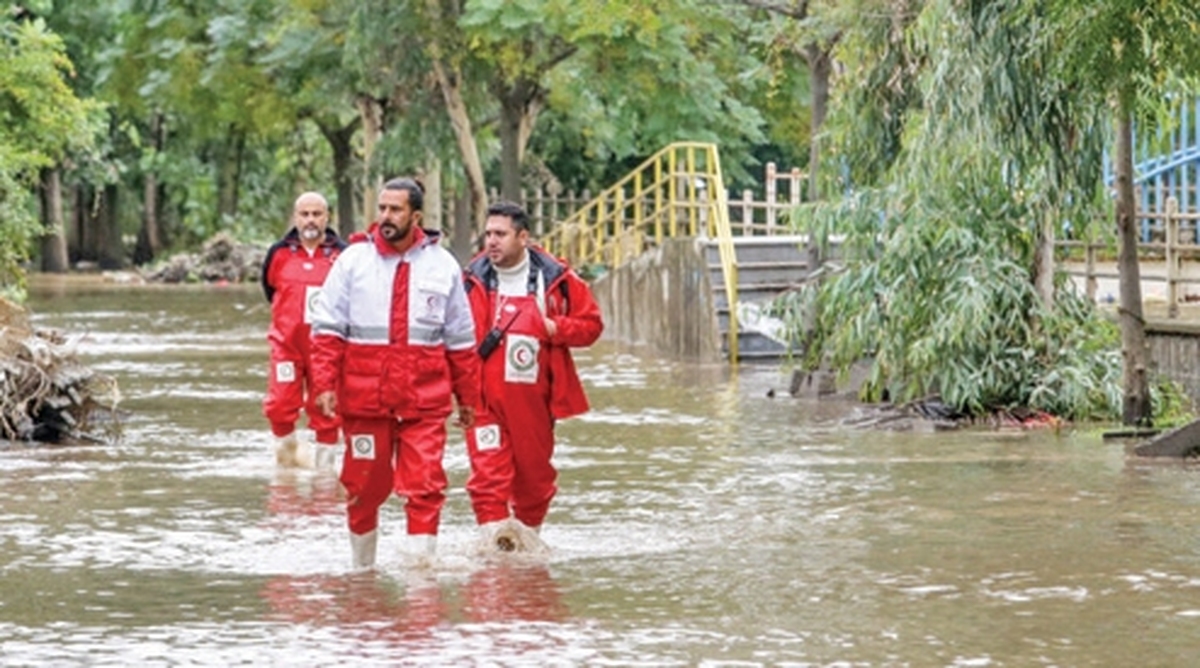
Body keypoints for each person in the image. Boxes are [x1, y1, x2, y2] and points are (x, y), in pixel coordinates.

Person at [309, 177, 479, 570]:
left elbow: (460, 342)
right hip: (364, 401)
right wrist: (323, 384)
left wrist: (469, 399)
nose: (385, 216)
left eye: (395, 209)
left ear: (416, 215)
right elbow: (327, 329)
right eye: (381, 208)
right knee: (363, 486)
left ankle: (421, 585)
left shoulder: (443, 266)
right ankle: (362, 574)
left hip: (425, 402)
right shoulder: (352, 261)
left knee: (425, 487)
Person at [463, 200, 603, 550]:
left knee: (534, 479)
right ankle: (494, 564)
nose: (492, 241)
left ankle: (525, 554)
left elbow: (592, 326)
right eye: (488, 233)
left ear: (523, 236)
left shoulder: (556, 278)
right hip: (482, 400)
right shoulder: (470, 279)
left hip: (534, 400)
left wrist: (555, 327)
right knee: (487, 478)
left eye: (501, 234)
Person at [261, 192, 346, 469]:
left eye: (317, 214)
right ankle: (287, 464)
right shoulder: (279, 253)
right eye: (305, 214)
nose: (311, 220)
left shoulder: (342, 255)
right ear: (295, 217)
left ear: (327, 217)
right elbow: (270, 289)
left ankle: (325, 475)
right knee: (279, 404)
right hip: (287, 345)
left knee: (328, 409)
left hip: (327, 348)